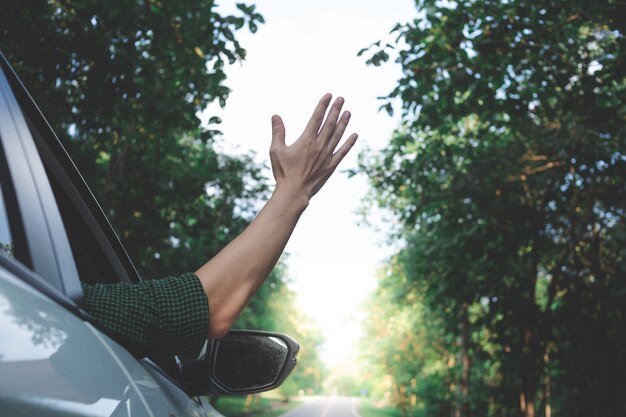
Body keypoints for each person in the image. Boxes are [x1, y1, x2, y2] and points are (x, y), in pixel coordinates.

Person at [80, 93, 358, 359]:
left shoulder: (57, 309)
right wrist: (293, 189)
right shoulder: (65, 314)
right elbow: (201, 309)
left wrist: (294, 188)